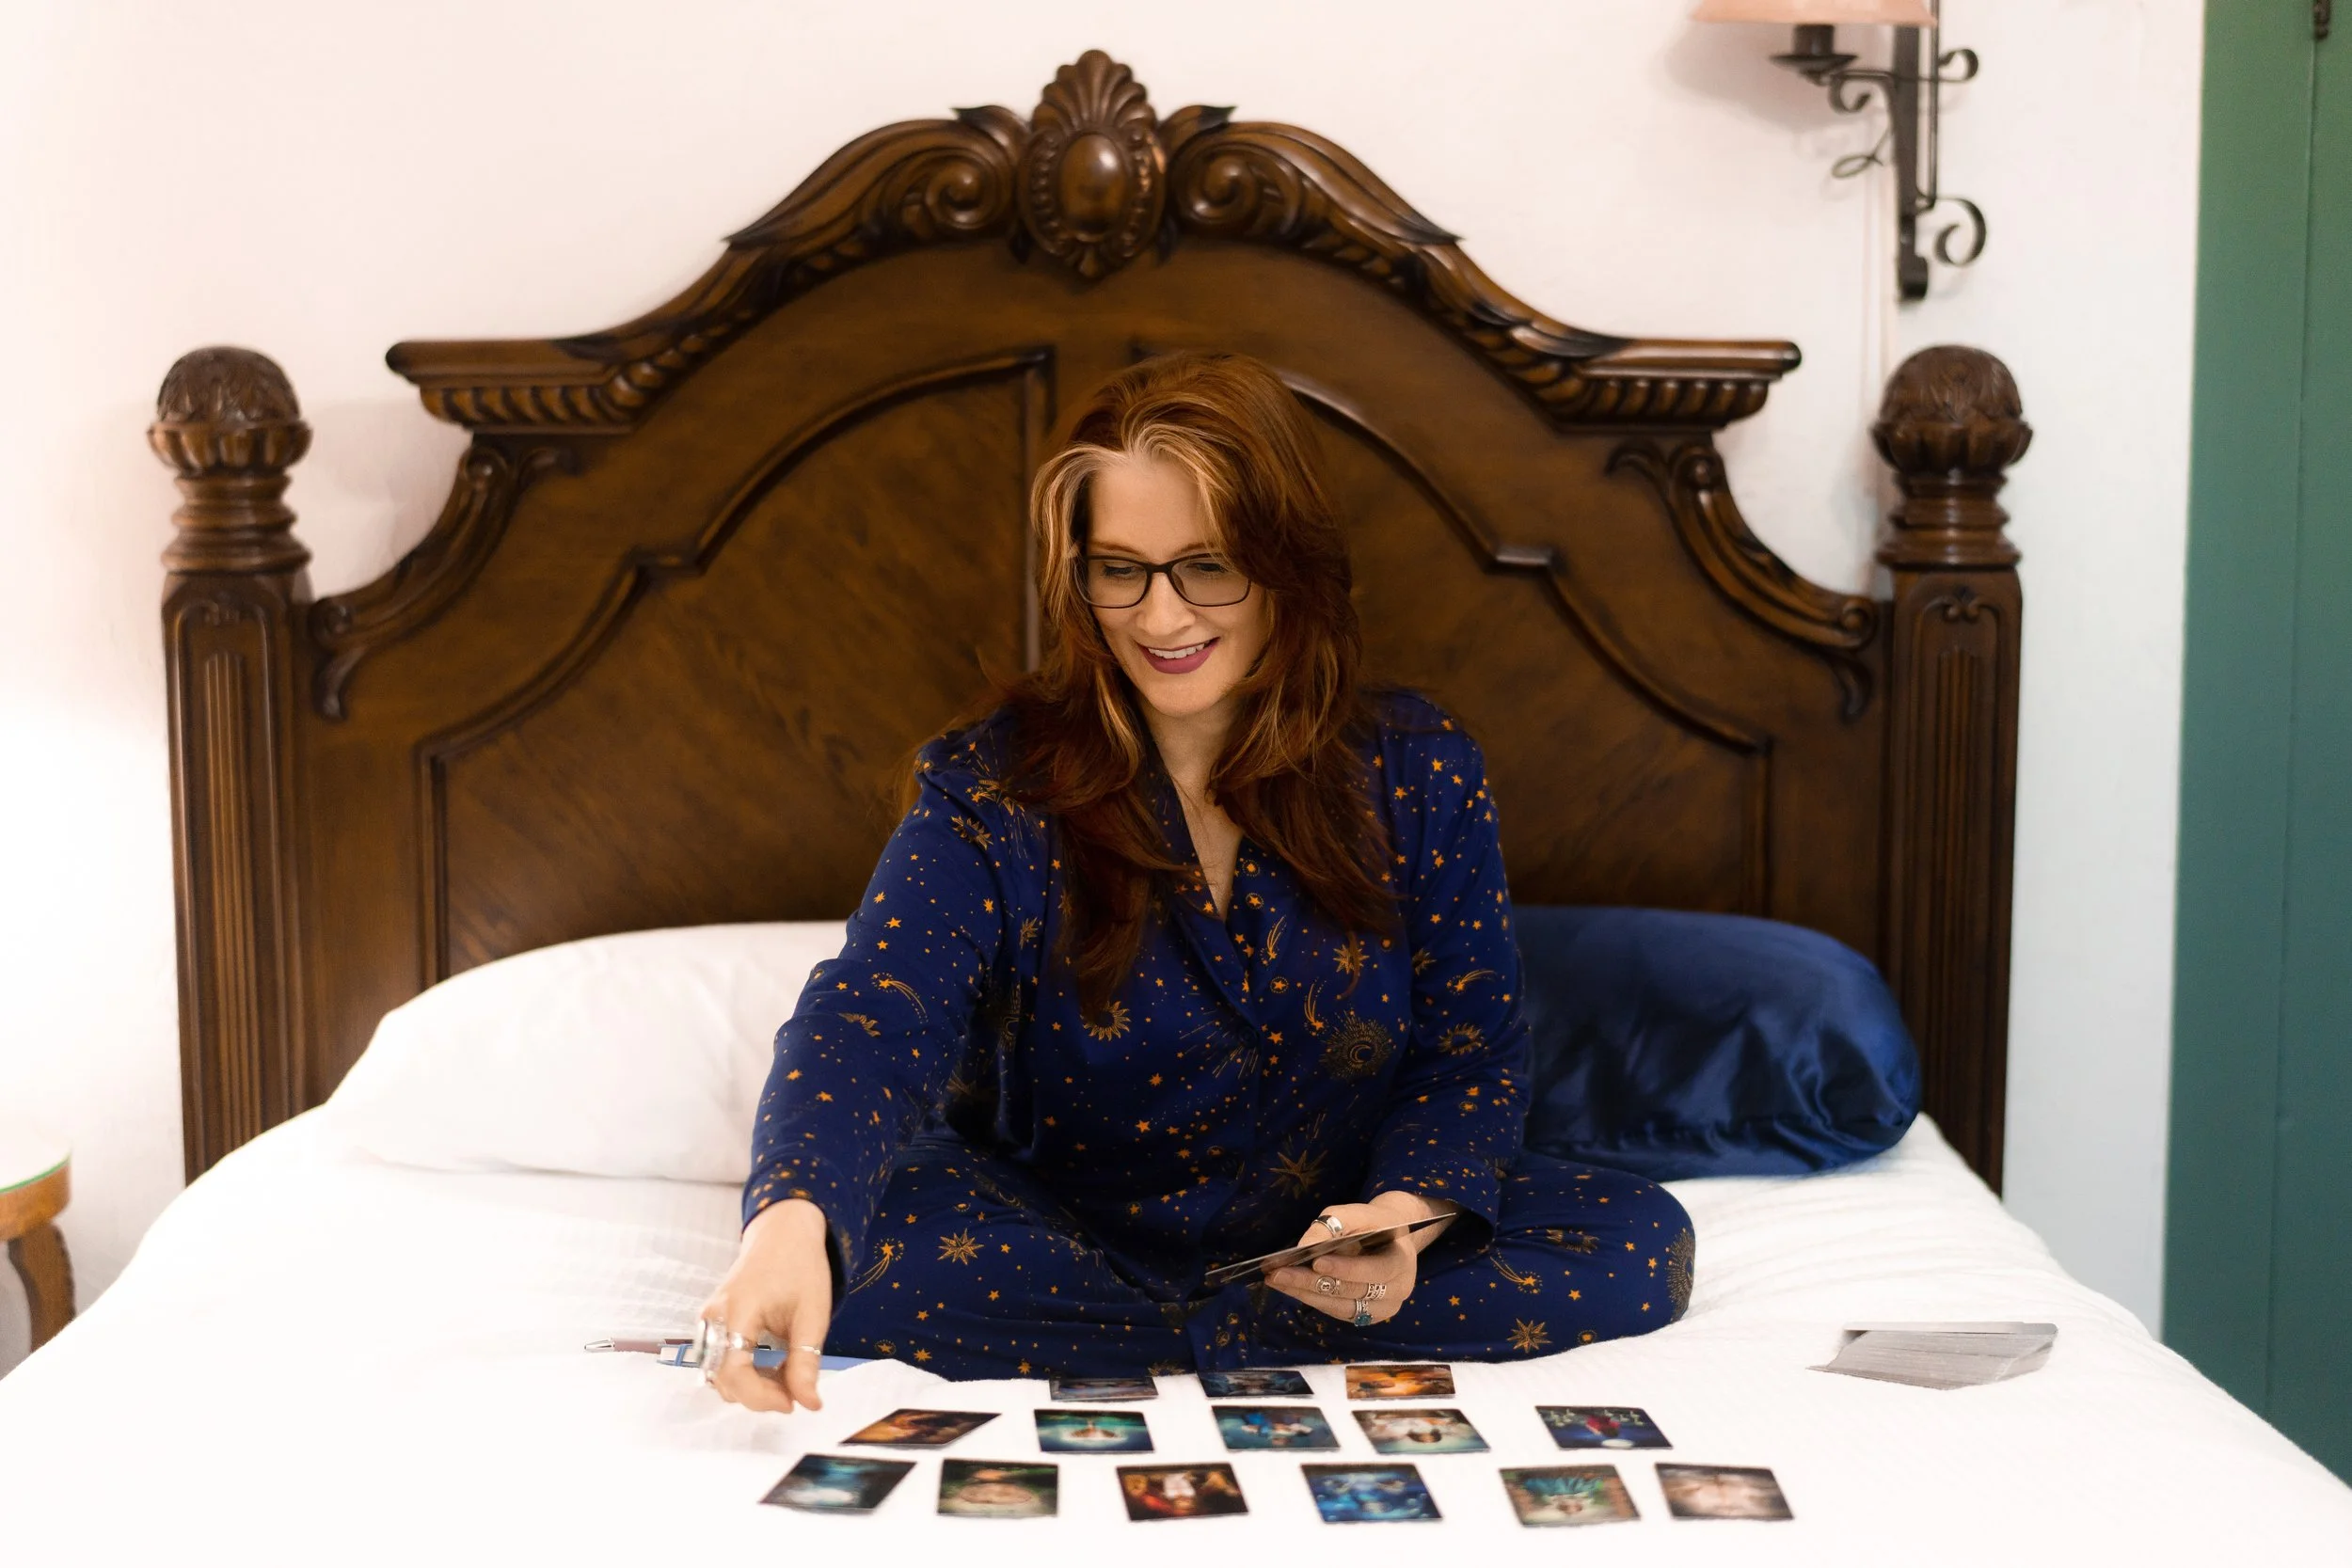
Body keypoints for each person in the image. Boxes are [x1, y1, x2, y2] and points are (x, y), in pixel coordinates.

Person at [701, 352, 1695, 1412]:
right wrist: (790, 1220)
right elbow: (871, 1010)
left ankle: (1203, 1325)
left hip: (1333, 1231)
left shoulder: (1421, 769)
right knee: (861, 1258)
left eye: (1206, 565)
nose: (1160, 618)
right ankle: (1231, 1329)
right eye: (1118, 569)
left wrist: (1404, 1220)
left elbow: (1471, 1053)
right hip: (1048, 1230)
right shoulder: (990, 787)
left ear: (1286, 562)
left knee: (1641, 1240)